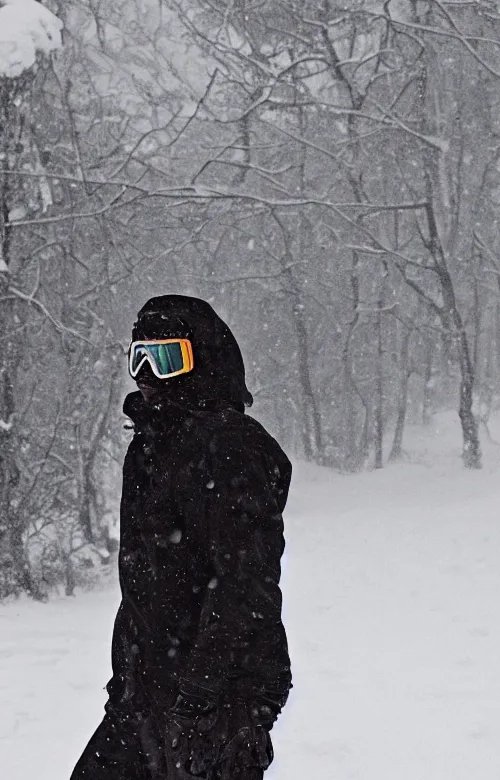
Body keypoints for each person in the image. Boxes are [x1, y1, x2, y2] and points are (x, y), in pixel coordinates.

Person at [72, 295, 292, 780]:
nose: (148, 372)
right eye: (140, 356)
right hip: (148, 691)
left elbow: (245, 586)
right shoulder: (148, 446)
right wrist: (126, 679)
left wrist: (199, 697)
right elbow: (144, 582)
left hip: (218, 700)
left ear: (204, 362)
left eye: (167, 357)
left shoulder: (228, 445)